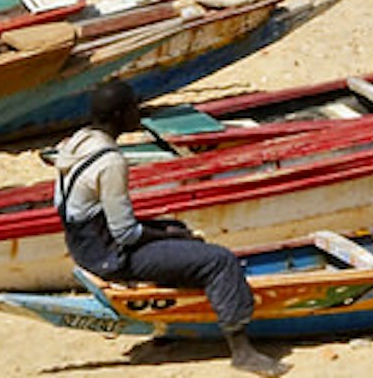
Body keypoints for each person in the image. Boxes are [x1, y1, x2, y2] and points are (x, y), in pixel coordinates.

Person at [50, 80, 283, 372]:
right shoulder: (110, 162)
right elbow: (126, 233)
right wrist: (165, 233)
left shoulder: (77, 142)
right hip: (111, 256)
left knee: (177, 232)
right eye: (135, 107)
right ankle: (242, 351)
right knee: (220, 261)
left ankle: (180, 305)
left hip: (85, 246)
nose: (140, 112)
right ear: (120, 115)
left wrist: (165, 230)